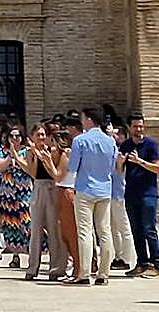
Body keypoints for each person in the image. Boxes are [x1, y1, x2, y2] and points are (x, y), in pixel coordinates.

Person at [68, 105, 116, 285]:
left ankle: (85, 273)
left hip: (85, 188)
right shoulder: (110, 141)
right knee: (105, 231)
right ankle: (104, 273)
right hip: (105, 189)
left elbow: (73, 167)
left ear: (89, 119)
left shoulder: (80, 140)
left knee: (85, 232)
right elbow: (112, 167)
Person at [23, 123, 67, 281]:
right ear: (32, 137)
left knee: (53, 229)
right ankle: (32, 267)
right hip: (38, 187)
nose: (41, 138)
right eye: (38, 135)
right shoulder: (30, 152)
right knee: (35, 230)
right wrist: (34, 155)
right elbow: (33, 173)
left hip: (52, 187)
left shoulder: (53, 151)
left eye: (43, 134)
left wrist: (44, 156)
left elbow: (53, 172)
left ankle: (54, 268)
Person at [120, 112, 159, 277]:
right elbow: (118, 169)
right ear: (129, 127)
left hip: (148, 194)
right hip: (130, 193)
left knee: (149, 228)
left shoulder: (151, 144)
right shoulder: (126, 145)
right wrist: (120, 162)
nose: (139, 129)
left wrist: (140, 162)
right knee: (136, 230)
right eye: (135, 126)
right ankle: (142, 262)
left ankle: (156, 263)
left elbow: (157, 168)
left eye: (141, 126)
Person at [0, 125, 32, 269]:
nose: (15, 138)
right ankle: (15, 255)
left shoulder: (27, 151)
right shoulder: (1, 151)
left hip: (24, 190)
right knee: (10, 223)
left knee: (27, 221)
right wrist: (11, 155)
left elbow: (29, 167)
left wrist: (17, 156)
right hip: (7, 192)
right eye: (12, 136)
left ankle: (31, 253)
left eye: (17, 136)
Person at [109, 123, 137, 272]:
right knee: (113, 227)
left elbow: (120, 174)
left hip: (120, 194)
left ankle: (128, 258)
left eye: (119, 135)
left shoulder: (124, 153)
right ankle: (118, 256)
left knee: (123, 227)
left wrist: (120, 163)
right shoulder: (112, 152)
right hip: (109, 193)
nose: (116, 137)